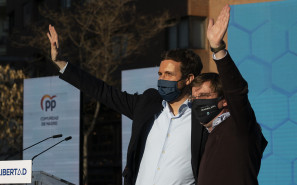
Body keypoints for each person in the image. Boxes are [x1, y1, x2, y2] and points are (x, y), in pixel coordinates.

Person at [47, 27, 208, 184]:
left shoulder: (205, 118)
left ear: (188, 79)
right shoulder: (148, 104)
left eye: (169, 74)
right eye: (160, 74)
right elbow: (103, 92)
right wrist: (62, 63)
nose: (162, 79)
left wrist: (218, 50)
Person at [191, 4, 267, 185]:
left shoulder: (239, 125)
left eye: (203, 96)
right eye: (194, 98)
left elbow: (237, 91)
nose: (197, 102)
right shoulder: (210, 134)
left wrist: (218, 49)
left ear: (224, 101)